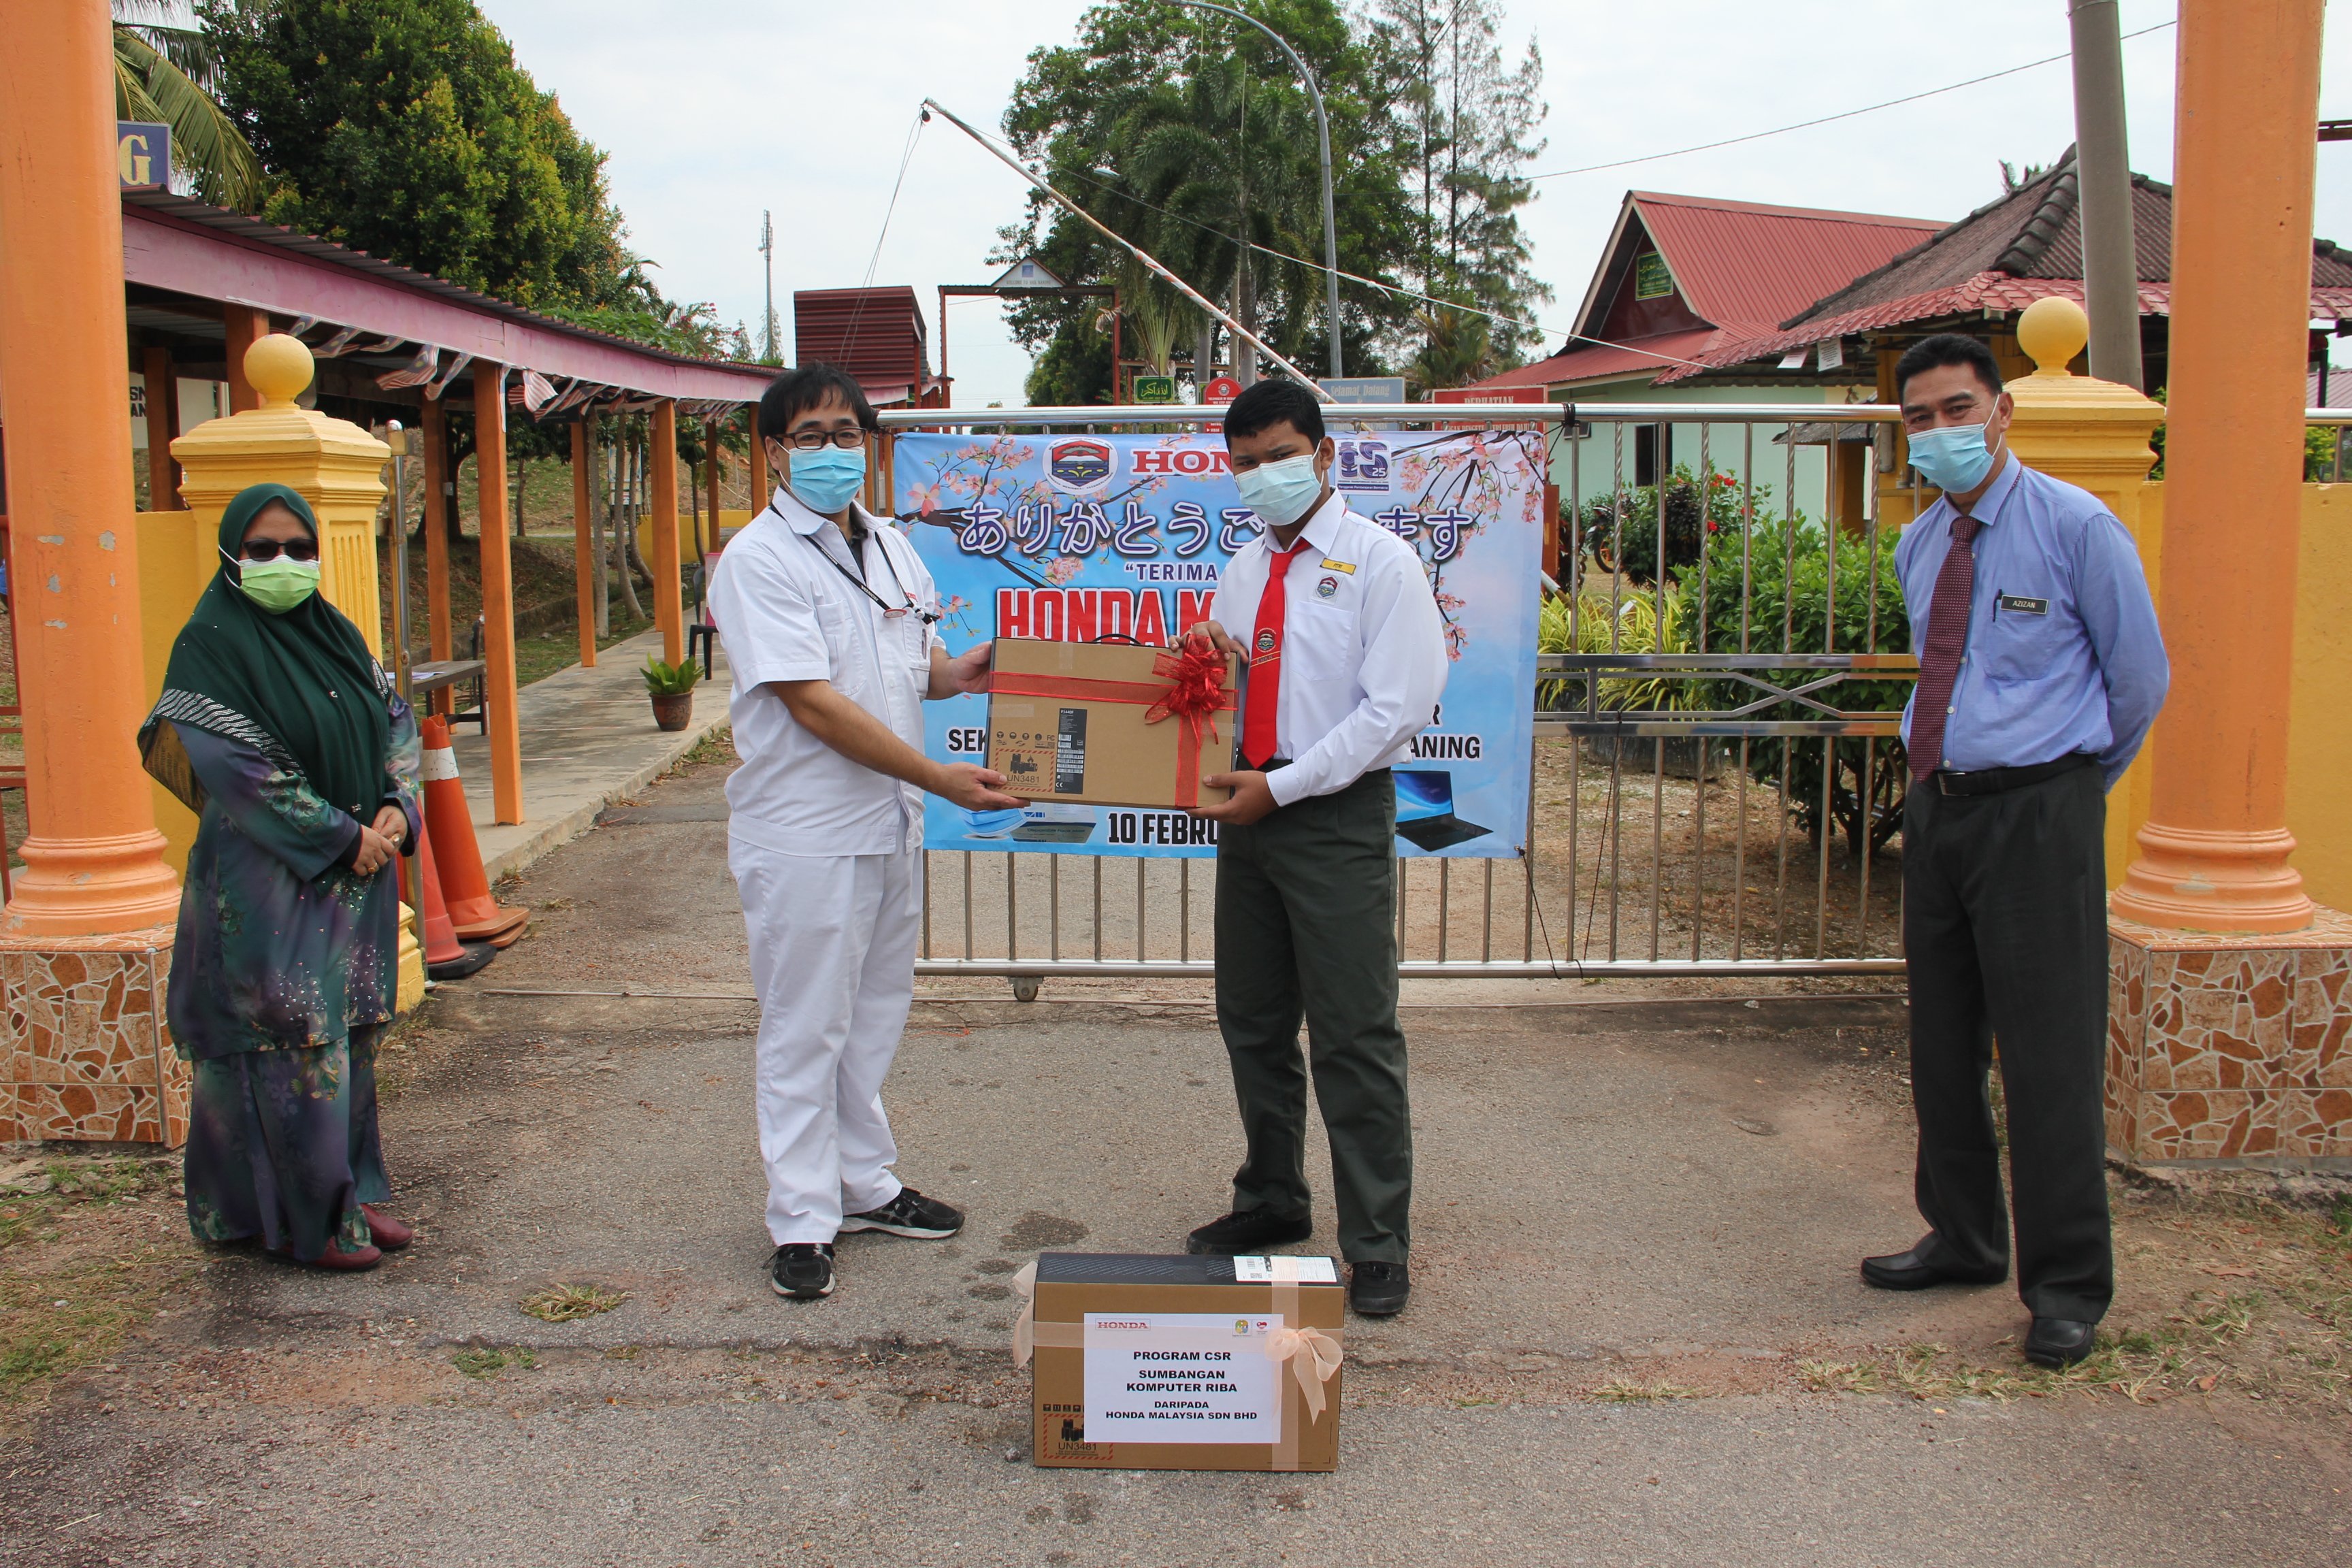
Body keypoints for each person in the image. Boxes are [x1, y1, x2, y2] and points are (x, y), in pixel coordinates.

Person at [1865, 333, 2168, 1367]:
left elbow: (2139, 685)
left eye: (1957, 410)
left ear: (2002, 413)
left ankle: (2068, 1285)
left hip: (2041, 813)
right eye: (1919, 418)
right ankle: (1963, 1236)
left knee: (2047, 1057)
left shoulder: (2079, 529)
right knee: (1942, 1042)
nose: (1940, 432)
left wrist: (2069, 788)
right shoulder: (1919, 544)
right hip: (1941, 809)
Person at [707, 364, 1019, 1302]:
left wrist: (962, 673)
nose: (833, 451)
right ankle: (802, 1220)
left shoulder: (890, 546)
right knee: (807, 1024)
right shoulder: (758, 560)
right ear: (772, 451)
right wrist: (937, 776)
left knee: (873, 1014)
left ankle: (865, 1183)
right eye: (810, 437)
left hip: (888, 821)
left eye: (848, 434)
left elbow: (903, 661)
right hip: (806, 830)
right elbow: (811, 702)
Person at [1184, 378, 1449, 1318]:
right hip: (1247, 811)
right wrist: (1204, 666)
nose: (1264, 477)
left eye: (1282, 457)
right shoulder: (1246, 566)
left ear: (1327, 455)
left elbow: (1397, 711)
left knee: (1354, 1033)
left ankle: (1376, 1241)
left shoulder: (1381, 564)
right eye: (1247, 463)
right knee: (1252, 1022)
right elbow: (1232, 679)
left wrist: (1283, 788)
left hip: (1328, 815)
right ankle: (1272, 1198)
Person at [138, 483, 423, 1271]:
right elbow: (238, 771)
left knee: (349, 1039)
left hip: (356, 874)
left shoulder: (335, 634)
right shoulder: (211, 648)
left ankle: (354, 1198)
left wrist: (398, 807)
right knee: (291, 1044)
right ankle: (312, 1223)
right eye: (262, 549)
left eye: (299, 549)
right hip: (268, 882)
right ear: (233, 556)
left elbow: (393, 719)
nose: (284, 564)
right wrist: (343, 835)